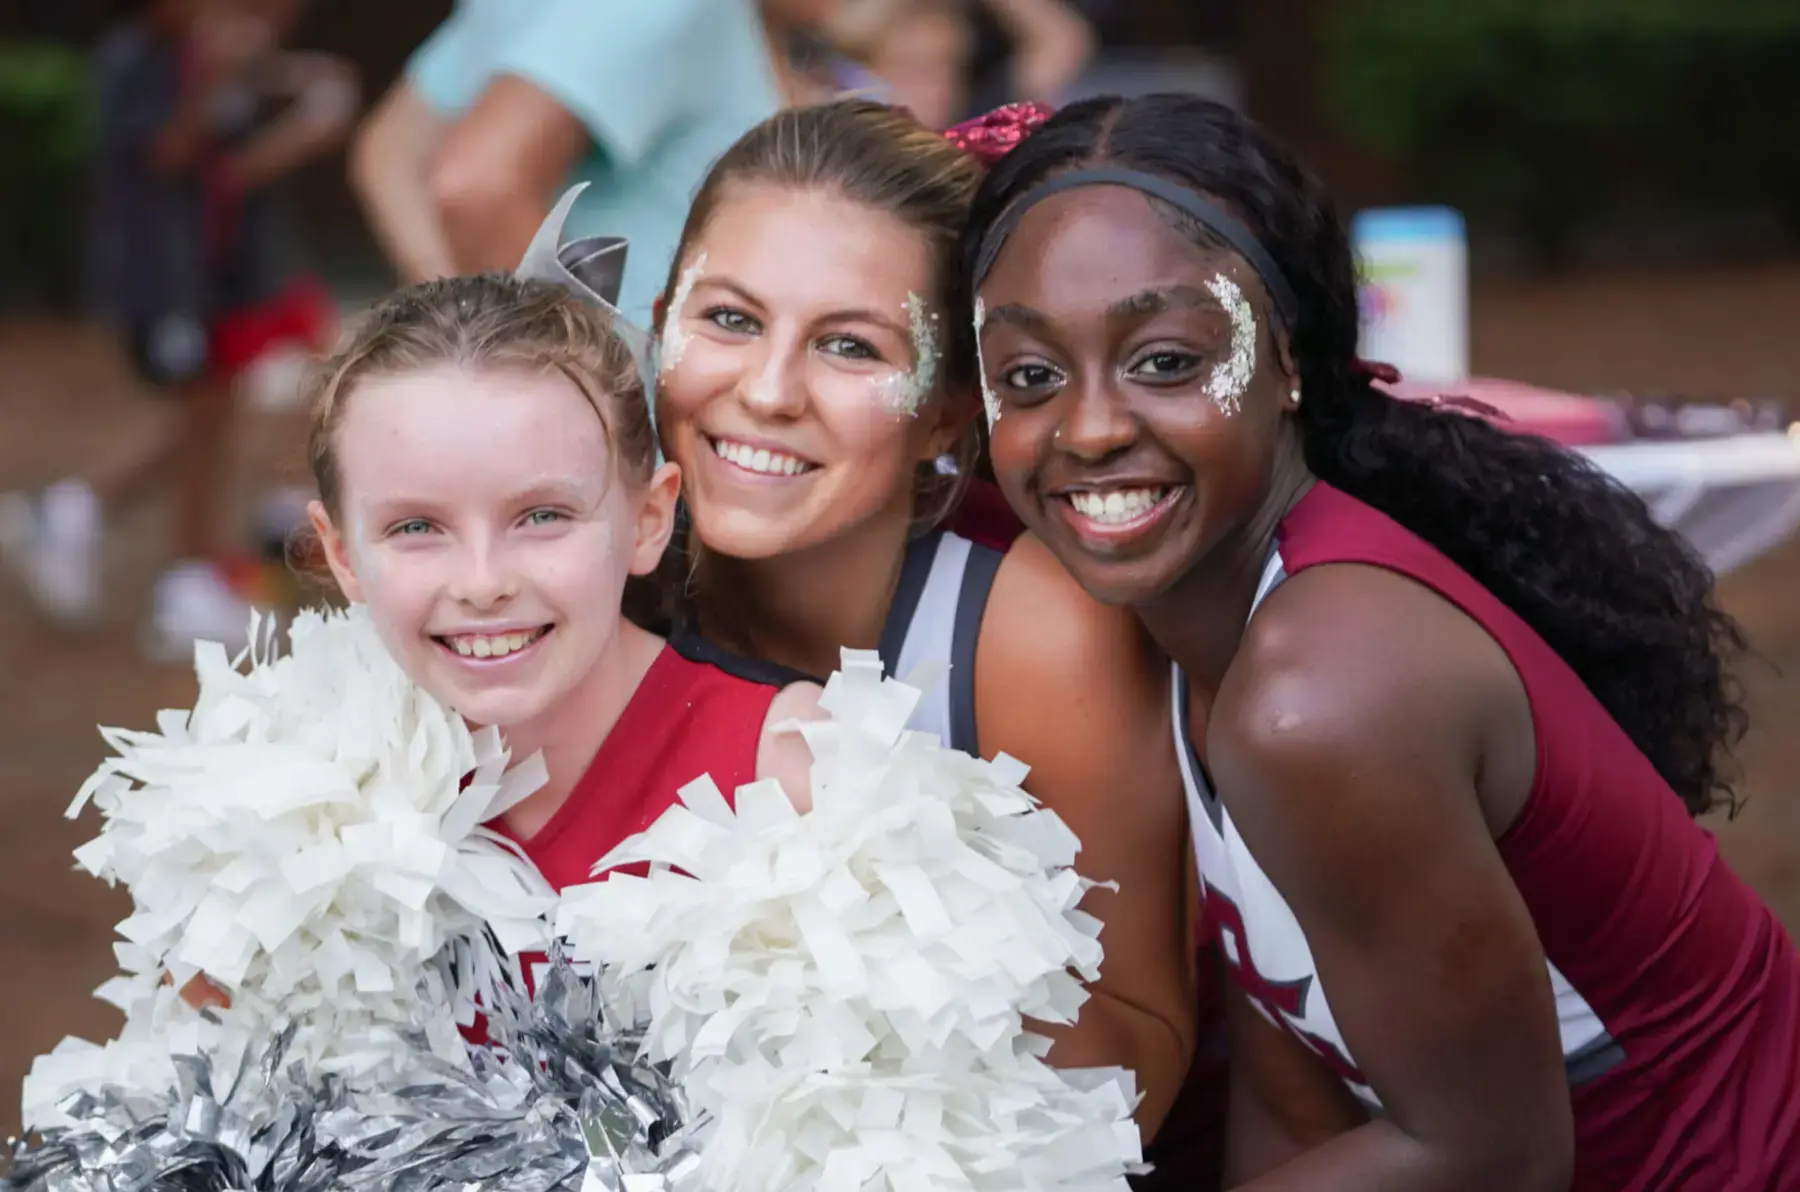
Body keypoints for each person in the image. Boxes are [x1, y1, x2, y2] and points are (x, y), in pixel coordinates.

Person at [963, 93, 1800, 1189]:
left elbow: (1493, 1156)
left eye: (1165, 360)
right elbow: (1293, 1070)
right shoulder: (1198, 621)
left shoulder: (1324, 691)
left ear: (1290, 360)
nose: (1089, 427)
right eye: (1031, 376)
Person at [649, 98, 1201, 1143]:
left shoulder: (1033, 635)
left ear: (947, 412)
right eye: (728, 319)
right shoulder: (578, 583)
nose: (766, 391)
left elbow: (1143, 1055)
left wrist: (850, 929)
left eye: (849, 346)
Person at [0, 0, 356, 655]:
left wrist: (305, 109)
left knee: (212, 414)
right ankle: (186, 579)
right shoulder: (134, 64)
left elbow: (233, 169)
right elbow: (168, 155)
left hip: (211, 276)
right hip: (159, 279)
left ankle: (89, 517)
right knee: (208, 413)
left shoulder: (211, 54)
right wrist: (220, 80)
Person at [349, 0, 802, 324]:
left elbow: (392, 150)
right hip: (647, 419)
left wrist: (463, 325)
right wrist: (595, 383)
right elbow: (477, 184)